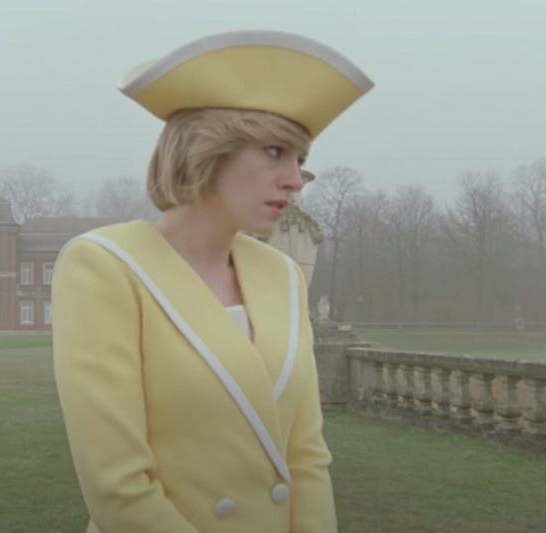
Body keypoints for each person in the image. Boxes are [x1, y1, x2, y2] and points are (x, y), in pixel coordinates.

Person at [52, 30, 373, 533]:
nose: (295, 179)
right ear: (204, 150)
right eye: (274, 151)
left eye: (300, 160)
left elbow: (306, 456)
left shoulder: (283, 275)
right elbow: (119, 488)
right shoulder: (105, 266)